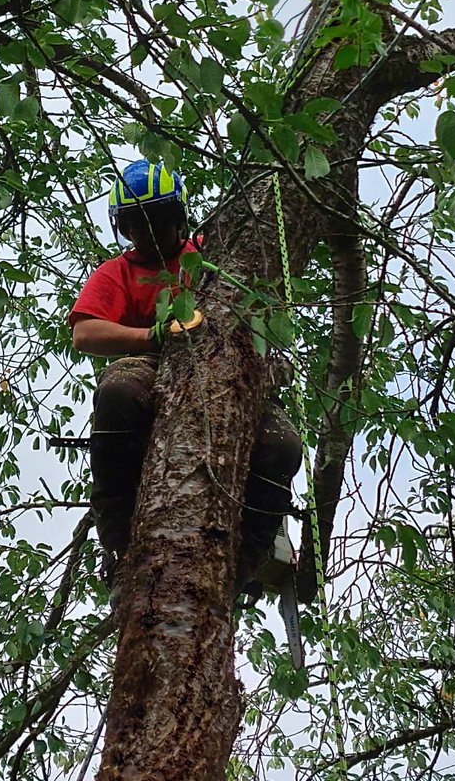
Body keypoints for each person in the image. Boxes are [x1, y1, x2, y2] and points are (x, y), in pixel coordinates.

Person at [69, 159, 302, 599]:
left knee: (282, 443)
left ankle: (242, 565)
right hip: (152, 365)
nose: (146, 233)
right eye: (135, 223)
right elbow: (85, 332)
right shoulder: (118, 272)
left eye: (155, 220)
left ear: (177, 217)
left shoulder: (210, 255)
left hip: (228, 373)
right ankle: (119, 548)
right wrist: (151, 336)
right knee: (118, 390)